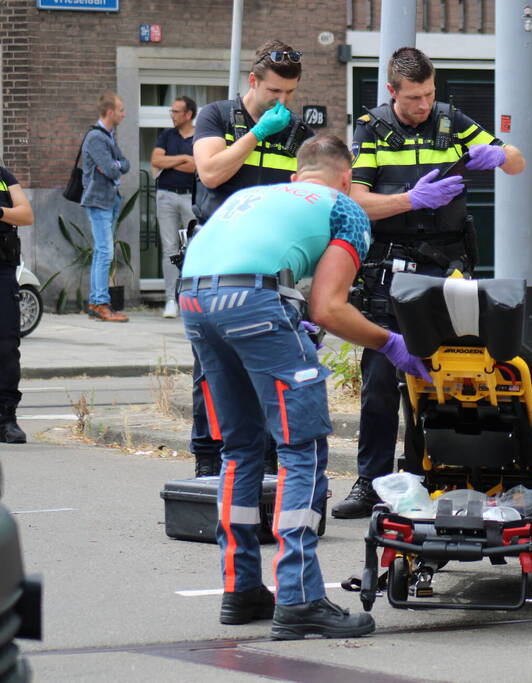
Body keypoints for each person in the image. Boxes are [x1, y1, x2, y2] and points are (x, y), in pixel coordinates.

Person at [179, 134, 429, 639]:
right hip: (251, 300)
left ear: (297, 177)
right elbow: (329, 308)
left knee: (240, 448)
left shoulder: (255, 195)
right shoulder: (345, 209)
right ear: (346, 179)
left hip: (194, 299)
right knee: (303, 448)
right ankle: (299, 599)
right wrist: (390, 344)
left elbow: (286, 281)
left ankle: (240, 587)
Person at [331, 46, 525, 519]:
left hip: (446, 270)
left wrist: (499, 156)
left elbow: (518, 161)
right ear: (392, 91)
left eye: (429, 94)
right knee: (380, 382)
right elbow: (357, 201)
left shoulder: (451, 121)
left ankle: (436, 475)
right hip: (390, 272)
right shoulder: (371, 130)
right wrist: (411, 200)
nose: (423, 105)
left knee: (452, 379)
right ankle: (371, 482)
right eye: (414, 97)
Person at [189, 39, 314, 478]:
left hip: (273, 267)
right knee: (213, 368)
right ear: (253, 81)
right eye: (274, 92)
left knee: (271, 366)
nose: (282, 103)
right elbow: (210, 172)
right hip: (217, 262)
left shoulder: (298, 132)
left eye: (290, 94)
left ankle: (265, 463)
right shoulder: (217, 117)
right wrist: (257, 134)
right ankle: (208, 462)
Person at [81, 92, 130, 323]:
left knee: (102, 252)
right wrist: (114, 166)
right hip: (99, 200)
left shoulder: (108, 136)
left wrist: (114, 164)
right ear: (110, 112)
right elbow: (111, 170)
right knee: (105, 252)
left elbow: (125, 164)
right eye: (121, 110)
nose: (124, 114)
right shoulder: (96, 138)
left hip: (109, 199)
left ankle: (95, 302)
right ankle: (101, 304)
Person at [150, 95, 197, 319]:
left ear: (188, 114)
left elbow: (197, 166)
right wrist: (183, 158)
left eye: (176, 111)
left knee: (193, 247)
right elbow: (156, 161)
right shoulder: (166, 136)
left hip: (190, 198)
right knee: (170, 249)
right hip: (166, 196)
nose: (172, 115)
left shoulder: (200, 137)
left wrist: (172, 161)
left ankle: (190, 297)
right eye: (172, 111)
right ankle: (171, 299)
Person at [0, 164, 34, 443]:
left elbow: (25, 214)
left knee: (6, 346)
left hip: (2, 269)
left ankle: (6, 418)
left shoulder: (3, 176)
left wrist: (0, 212)